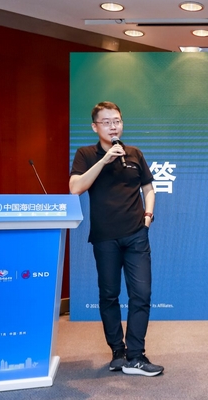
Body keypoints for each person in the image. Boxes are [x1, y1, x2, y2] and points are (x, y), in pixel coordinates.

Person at [69, 101, 163, 377]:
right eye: (107, 122)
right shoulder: (86, 154)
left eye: (117, 121)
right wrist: (104, 160)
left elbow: (149, 188)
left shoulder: (134, 153)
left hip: (136, 235)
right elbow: (75, 188)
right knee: (109, 295)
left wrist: (148, 216)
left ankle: (136, 356)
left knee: (141, 294)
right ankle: (118, 353)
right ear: (95, 126)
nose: (113, 126)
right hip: (105, 238)